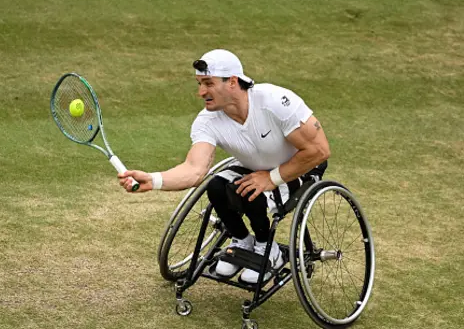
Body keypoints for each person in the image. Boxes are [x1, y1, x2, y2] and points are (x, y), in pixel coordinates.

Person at [118, 49, 330, 283]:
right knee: (216, 186)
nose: (201, 92)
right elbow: (194, 169)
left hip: (302, 168)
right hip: (254, 167)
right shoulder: (207, 121)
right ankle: (243, 240)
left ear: (232, 82)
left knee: (252, 190)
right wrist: (154, 180)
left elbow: (319, 151)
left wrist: (271, 178)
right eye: (199, 83)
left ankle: (268, 248)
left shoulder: (275, 101)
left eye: (208, 83)